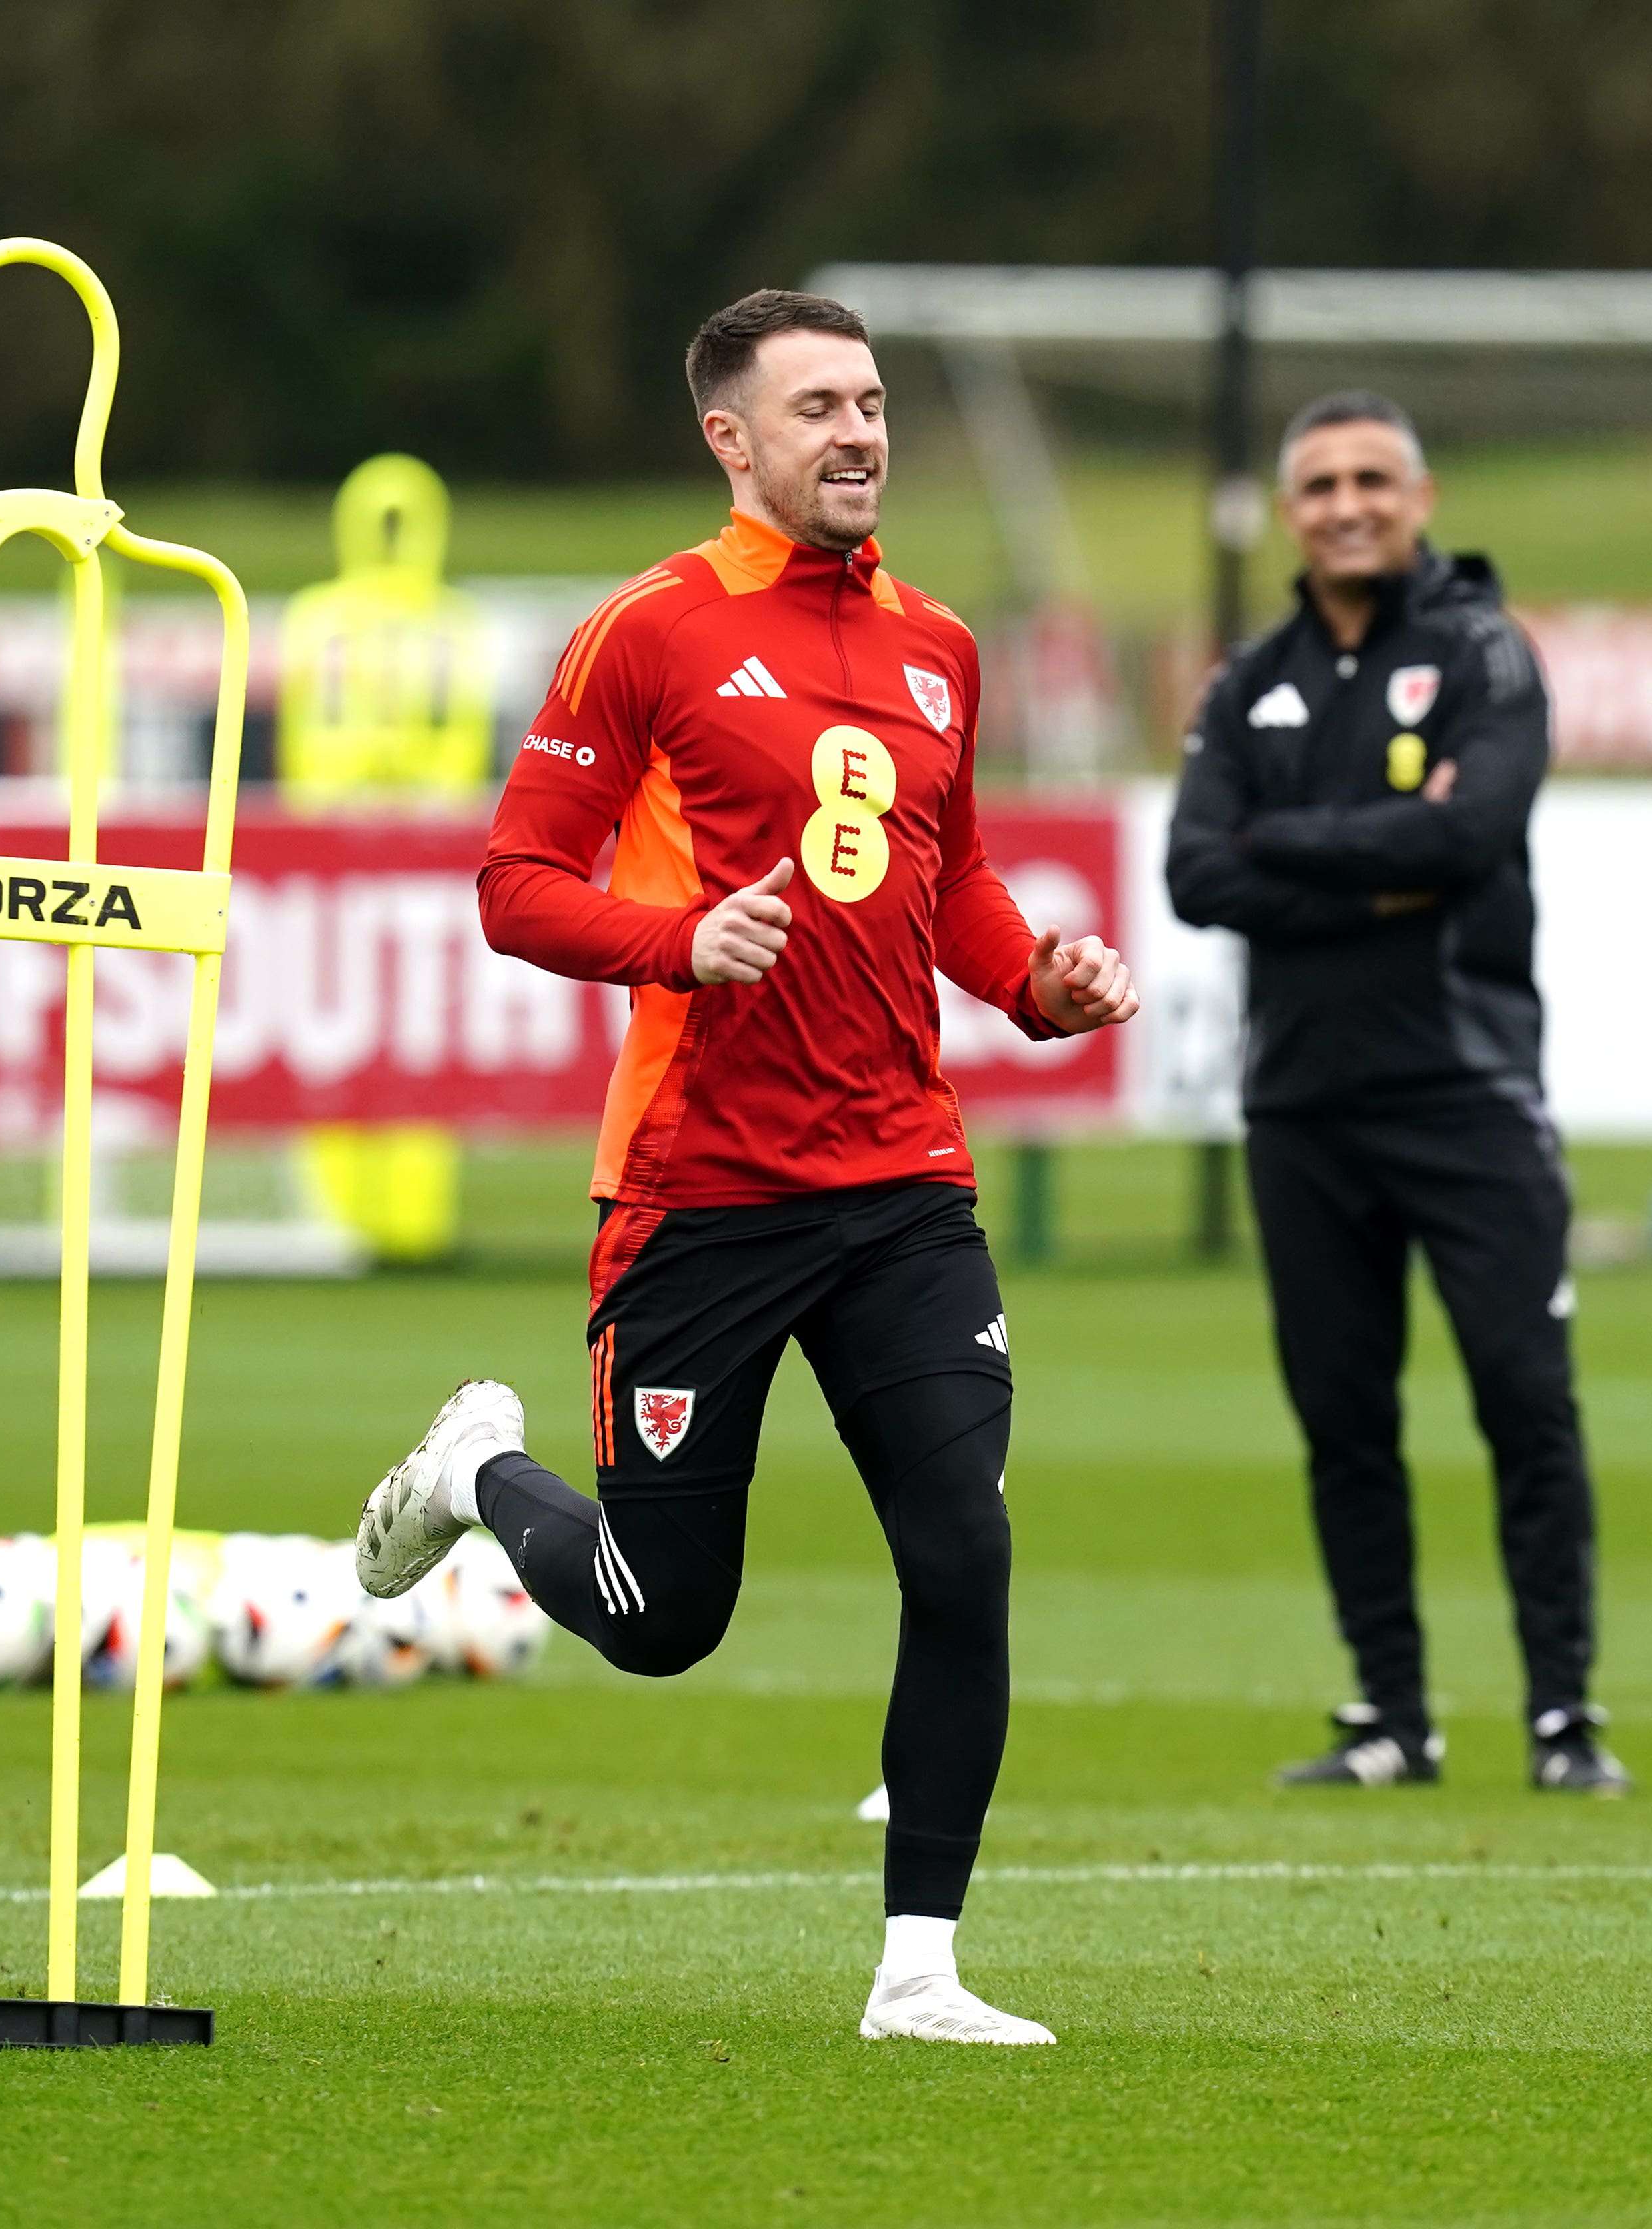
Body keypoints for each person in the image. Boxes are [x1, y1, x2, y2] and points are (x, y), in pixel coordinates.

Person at [347, 289, 1138, 2043]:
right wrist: (675, 943)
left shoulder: (939, 640)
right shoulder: (645, 631)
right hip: (702, 1193)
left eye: (871, 405)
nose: (860, 435)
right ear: (733, 438)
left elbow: (955, 882)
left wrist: (1035, 981)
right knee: (658, 1619)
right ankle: (482, 1470)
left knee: (963, 1548)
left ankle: (918, 1970)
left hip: (902, 1187)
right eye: (819, 411)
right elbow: (517, 884)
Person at [1165, 392, 1625, 1796]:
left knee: (1524, 1397)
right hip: (1303, 1105)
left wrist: (1288, 847)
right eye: (1320, 484)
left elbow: (1478, 830)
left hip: (1467, 1092)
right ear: (1291, 512)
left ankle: (1562, 1717)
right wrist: (1383, 866)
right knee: (1343, 1415)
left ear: (1419, 497)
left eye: (1373, 478)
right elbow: (1196, 875)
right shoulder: (1250, 680)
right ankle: (1392, 1716)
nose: (1347, 503)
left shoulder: (1484, 650)